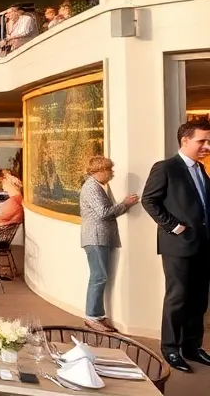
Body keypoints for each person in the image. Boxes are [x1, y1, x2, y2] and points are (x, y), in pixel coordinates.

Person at [141, 119, 210, 373]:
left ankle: (192, 347)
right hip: (178, 246)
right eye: (202, 141)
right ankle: (170, 349)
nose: (207, 146)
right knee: (178, 298)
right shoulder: (166, 167)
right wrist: (174, 226)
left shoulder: (201, 170)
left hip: (204, 245)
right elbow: (148, 200)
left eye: (208, 141)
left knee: (199, 299)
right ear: (185, 140)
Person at [79, 155, 139, 333]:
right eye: (109, 170)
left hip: (101, 238)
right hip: (95, 238)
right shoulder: (91, 187)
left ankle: (97, 314)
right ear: (100, 171)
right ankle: (91, 317)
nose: (111, 173)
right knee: (98, 277)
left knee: (100, 276)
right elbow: (104, 213)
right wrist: (125, 204)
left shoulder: (100, 186)